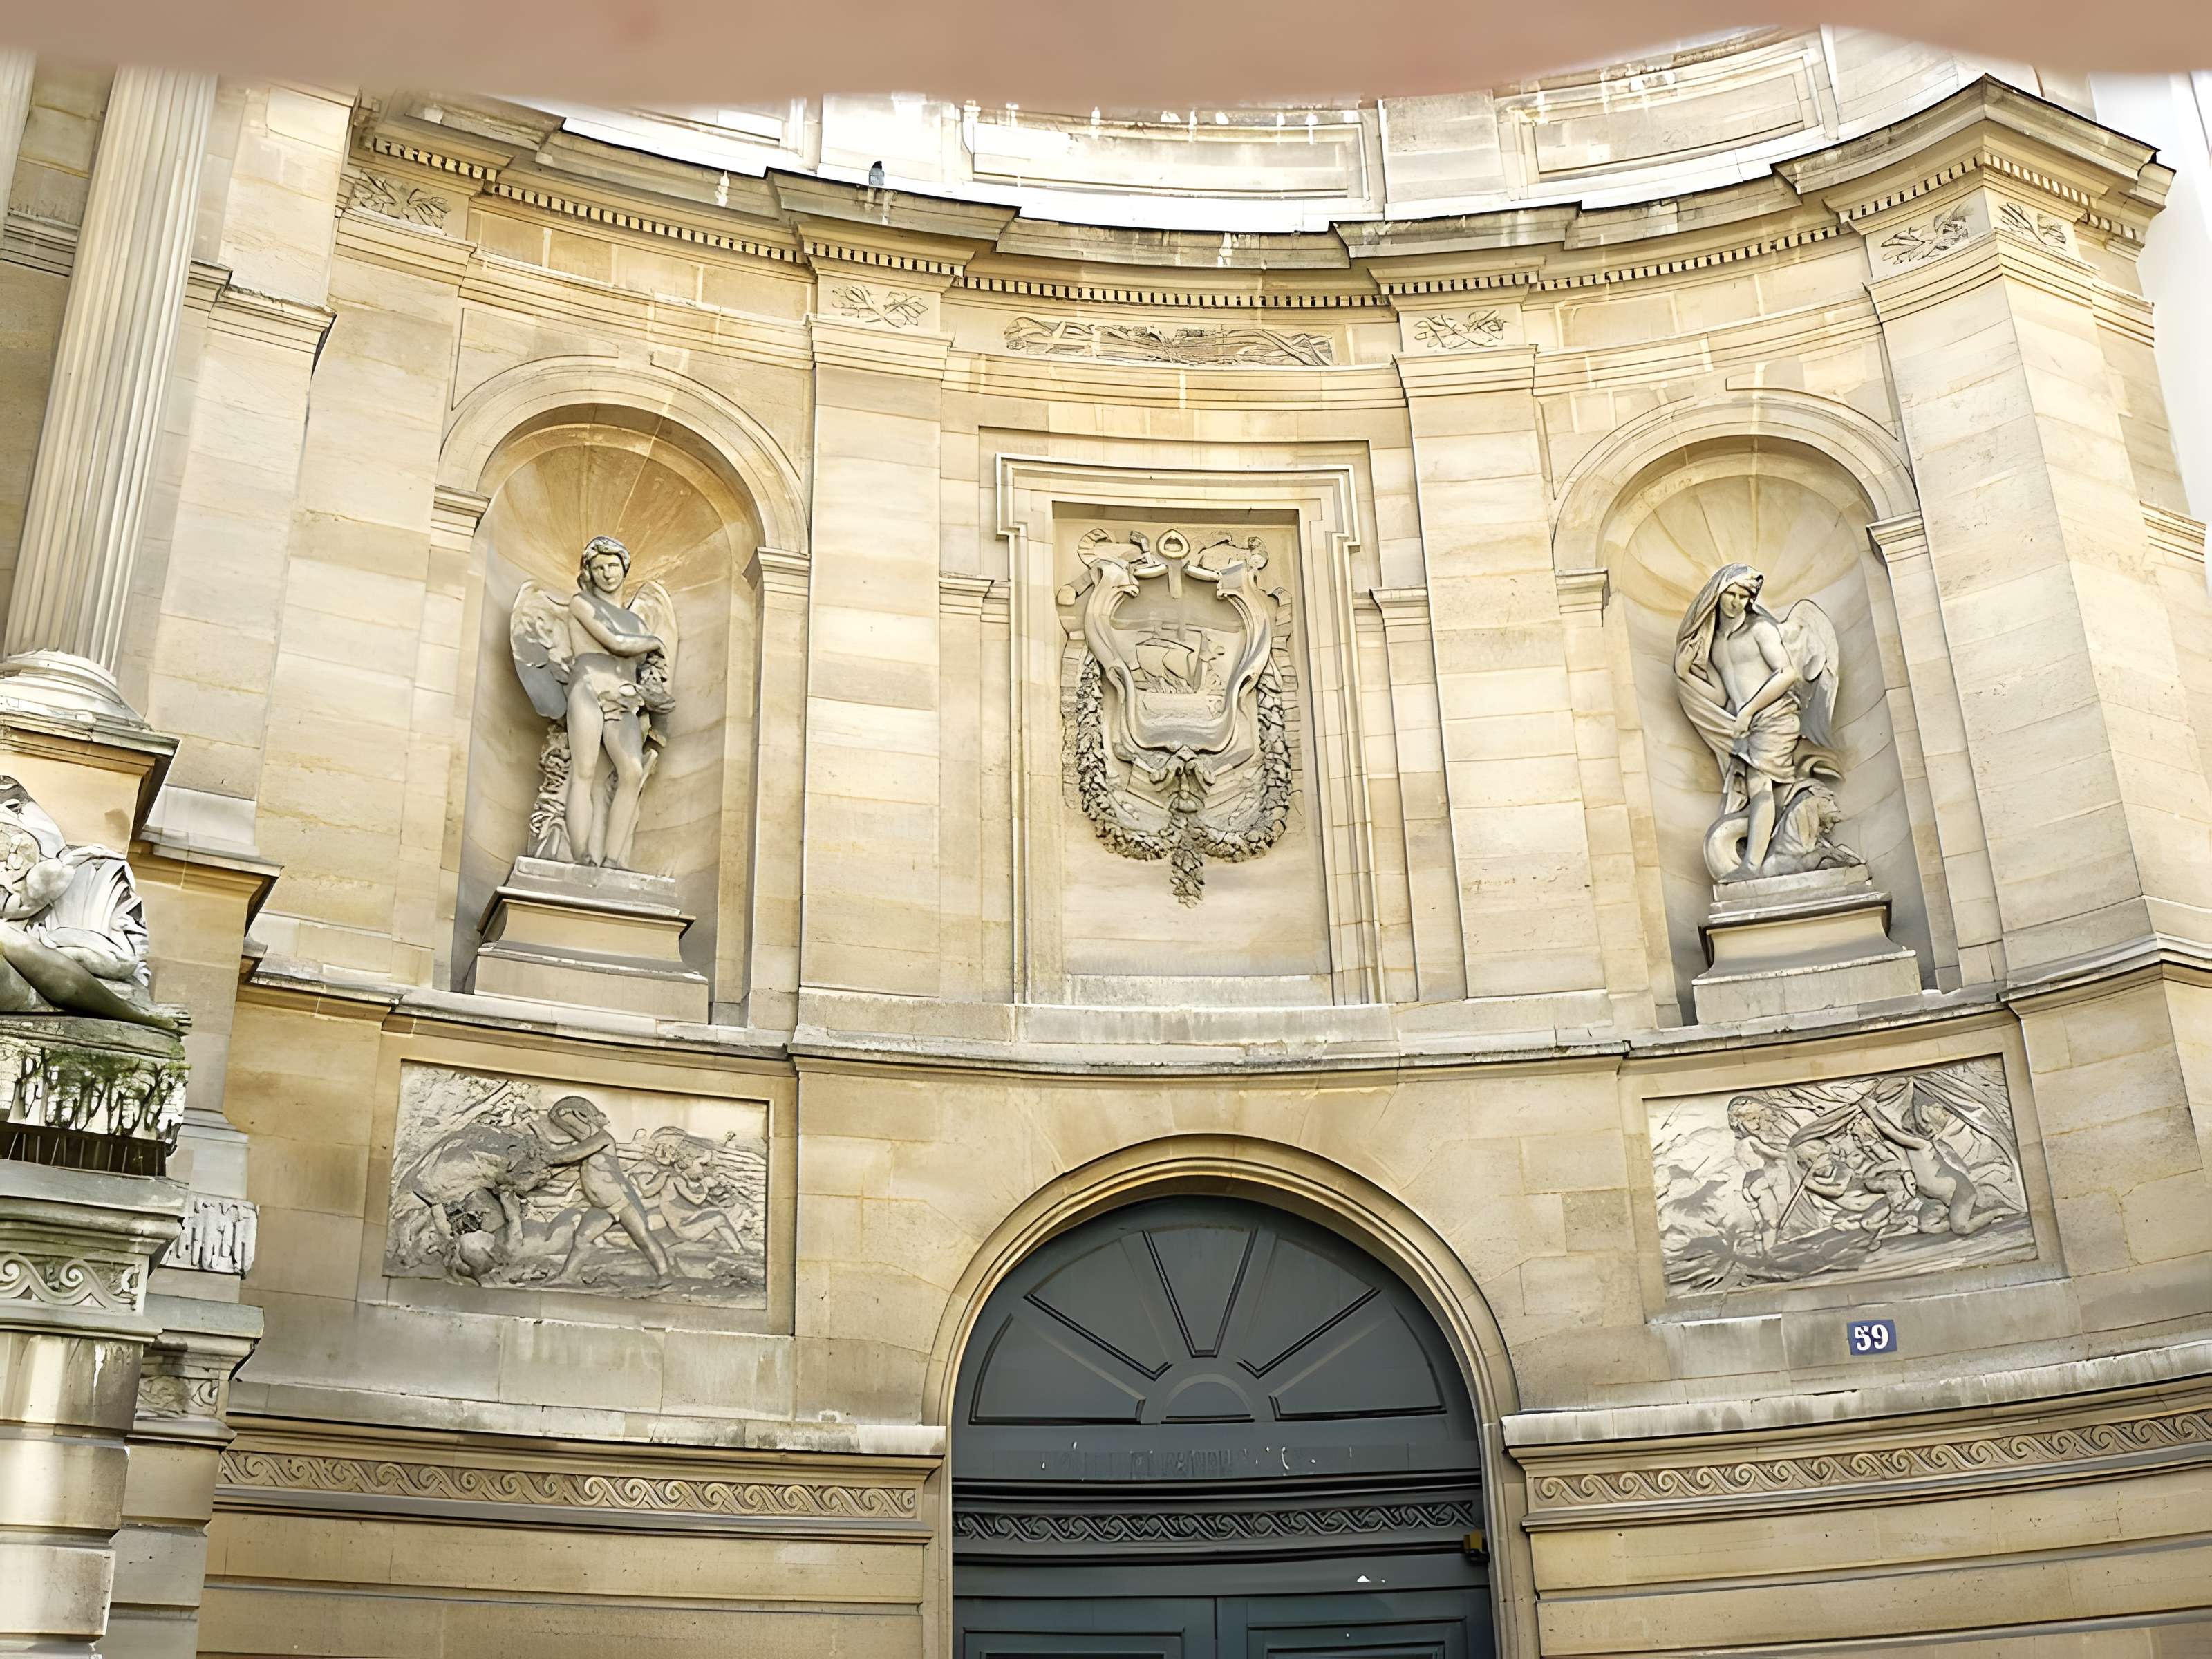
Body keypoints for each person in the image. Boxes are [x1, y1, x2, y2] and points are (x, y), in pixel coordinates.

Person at [1673, 564, 1839, 881]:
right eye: (1730, 595)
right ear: (1717, 596)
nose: (1735, 603)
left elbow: (1787, 673)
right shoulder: (1716, 644)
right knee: (1760, 788)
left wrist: (1748, 710)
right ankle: (1784, 846)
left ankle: (1750, 867)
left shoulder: (1760, 628)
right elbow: (1721, 696)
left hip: (1775, 716)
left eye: (1743, 596)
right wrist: (1685, 674)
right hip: (1746, 724)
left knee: (1758, 783)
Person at [560, 537, 669, 869]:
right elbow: (615, 643)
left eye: (613, 566)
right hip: (589, 687)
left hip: (623, 699)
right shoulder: (581, 603)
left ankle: (612, 861)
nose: (607, 573)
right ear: (589, 573)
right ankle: (582, 858)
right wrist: (656, 643)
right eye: (599, 567)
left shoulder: (636, 622)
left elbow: (643, 667)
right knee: (584, 770)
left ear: (624, 569)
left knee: (633, 773)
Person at [539, 1094, 673, 1285]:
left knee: (642, 1237)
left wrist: (544, 1156)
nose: (565, 1127)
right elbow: (562, 1141)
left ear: (581, 1116)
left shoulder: (603, 1139)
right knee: (582, 1238)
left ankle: (665, 1275)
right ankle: (569, 1275)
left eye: (568, 1121)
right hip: (601, 1207)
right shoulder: (586, 1139)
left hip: (623, 1202)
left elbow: (569, 1155)